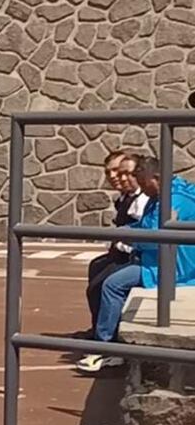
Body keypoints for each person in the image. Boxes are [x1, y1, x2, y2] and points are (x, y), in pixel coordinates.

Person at [76, 157, 195, 373]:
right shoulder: (160, 195)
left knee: (113, 283)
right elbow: (146, 226)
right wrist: (126, 231)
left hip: (175, 267)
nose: (142, 188)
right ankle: (105, 338)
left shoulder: (174, 200)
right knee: (104, 273)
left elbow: (158, 238)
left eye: (144, 182)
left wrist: (130, 238)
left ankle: (105, 348)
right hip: (158, 260)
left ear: (157, 178)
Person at [82, 152, 148, 337]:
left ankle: (106, 339)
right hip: (123, 252)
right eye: (109, 172)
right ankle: (99, 328)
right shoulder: (124, 198)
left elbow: (142, 231)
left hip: (137, 256)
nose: (115, 177)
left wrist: (122, 241)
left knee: (106, 284)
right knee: (96, 267)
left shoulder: (142, 200)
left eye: (119, 172)